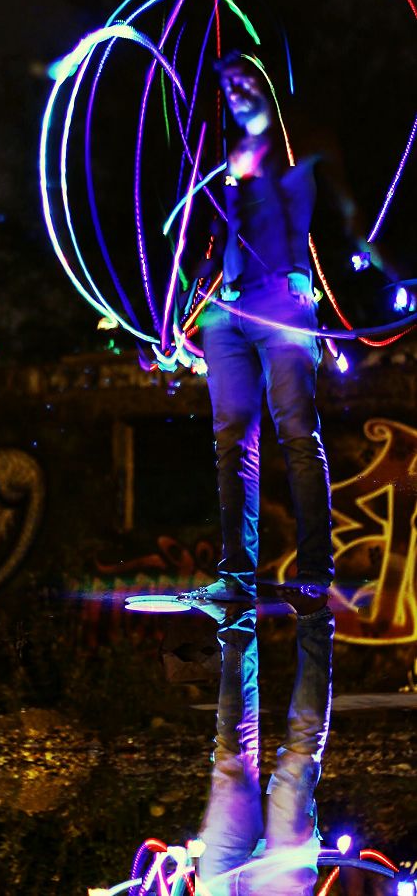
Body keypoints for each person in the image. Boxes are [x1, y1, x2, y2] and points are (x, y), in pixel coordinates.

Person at [193, 51, 336, 896]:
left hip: (279, 304)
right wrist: (189, 298)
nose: (236, 93)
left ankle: (313, 567)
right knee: (229, 442)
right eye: (226, 87)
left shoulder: (290, 163)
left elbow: (300, 222)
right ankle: (234, 575)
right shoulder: (211, 165)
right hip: (226, 312)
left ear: (266, 93)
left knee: (293, 432)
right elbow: (187, 235)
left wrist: (292, 281)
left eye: (247, 83)